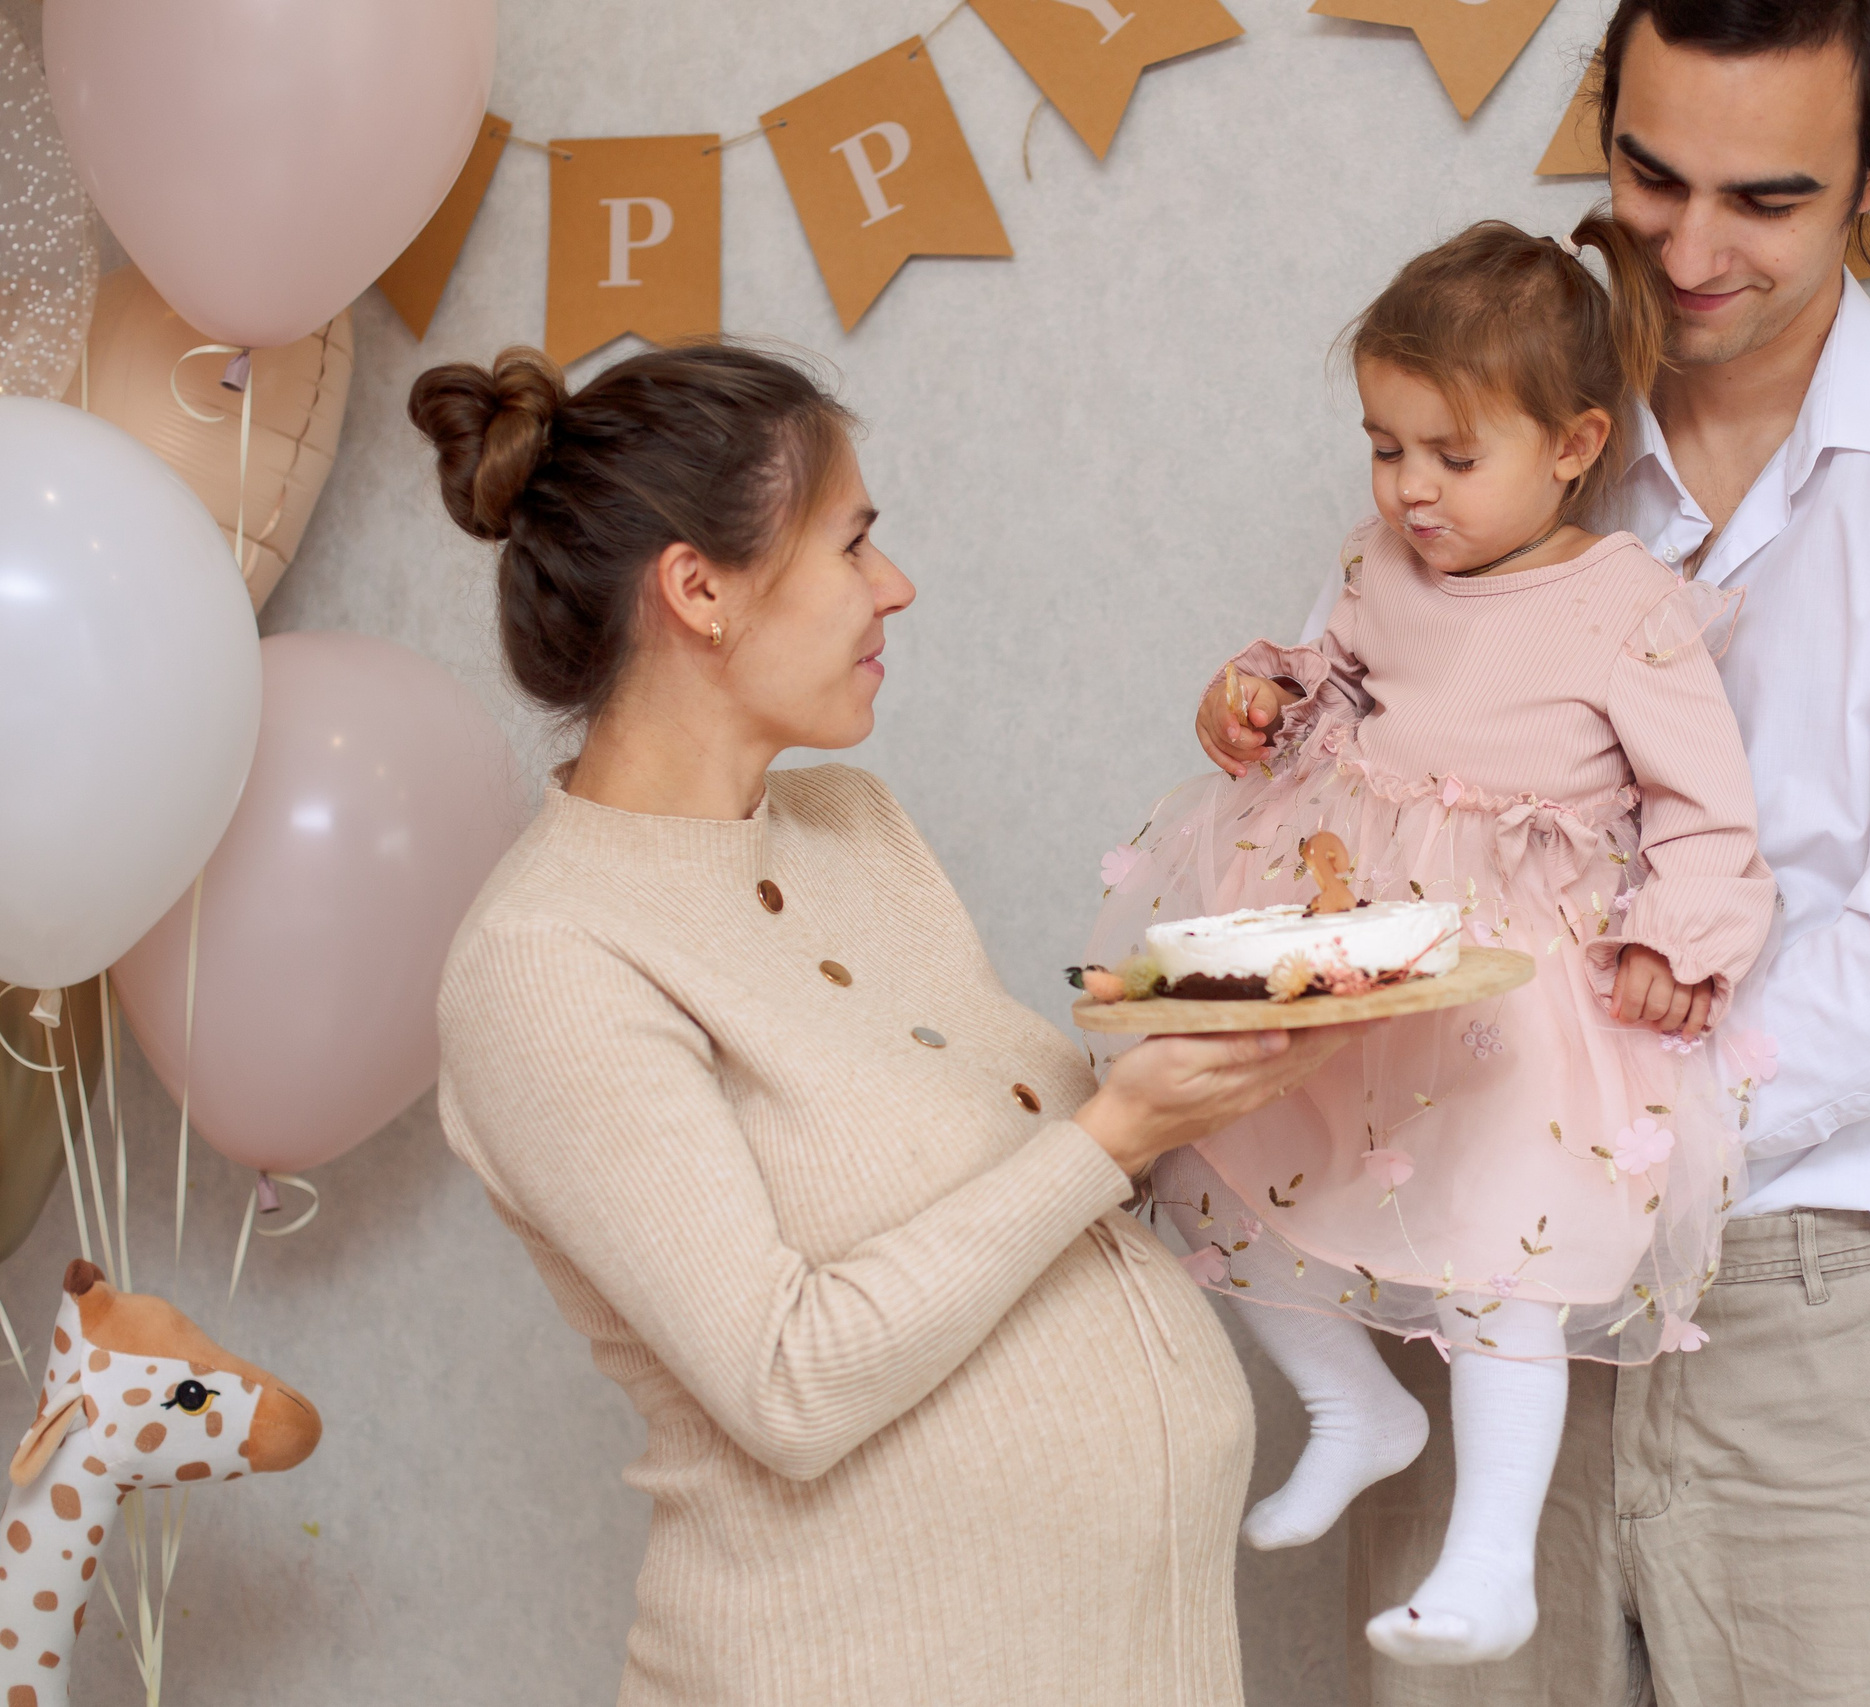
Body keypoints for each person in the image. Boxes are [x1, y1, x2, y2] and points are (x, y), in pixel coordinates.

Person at [1263, 2, 1870, 1701]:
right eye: (1649, 177)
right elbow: (1350, 793)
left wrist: (1575, 1119)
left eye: (1768, 200)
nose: (1695, 251)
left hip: (1822, 1313)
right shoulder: (1491, 434)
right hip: (1466, 1281)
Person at [418, 342, 1349, 1707]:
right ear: (700, 590)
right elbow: (787, 1381)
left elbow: (1016, 1202)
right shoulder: (550, 959)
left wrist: (1207, 1072)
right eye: (854, 542)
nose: (894, 585)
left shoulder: (852, 828)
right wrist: (1114, 1132)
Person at [1098, 216, 1775, 1669]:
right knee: (1201, 1149)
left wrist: (1678, 937)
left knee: (1500, 1262)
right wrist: (1251, 696)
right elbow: (1317, 680)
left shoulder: (1625, 612)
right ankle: (1357, 1404)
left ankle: (1493, 1559)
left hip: (1516, 996)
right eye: (1385, 447)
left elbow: (1709, 812)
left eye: (1452, 458)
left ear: (1576, 443)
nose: (1411, 489)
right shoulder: (1377, 567)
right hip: (1357, 941)